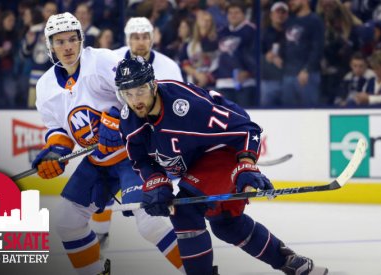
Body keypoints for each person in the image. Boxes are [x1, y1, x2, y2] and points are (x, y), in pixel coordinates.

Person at [114, 56, 329, 275]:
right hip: (196, 162)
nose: (135, 100)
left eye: (140, 90)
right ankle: (292, 263)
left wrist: (245, 164)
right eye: (127, 93)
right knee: (226, 225)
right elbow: (141, 159)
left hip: (221, 148)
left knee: (185, 212)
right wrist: (156, 182)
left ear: (153, 85)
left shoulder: (187, 107)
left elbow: (246, 129)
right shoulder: (129, 118)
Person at [33, 12, 183, 274]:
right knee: (67, 223)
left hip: (133, 154)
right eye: (60, 42)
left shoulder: (101, 60)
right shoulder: (45, 87)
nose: (67, 47)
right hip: (98, 161)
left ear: (81, 40)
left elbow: (138, 92)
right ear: (50, 46)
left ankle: (196, 269)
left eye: (72, 39)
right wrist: (55, 152)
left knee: (150, 221)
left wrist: (117, 118)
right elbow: (57, 129)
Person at [91, 16, 183, 249]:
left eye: (144, 37)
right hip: (116, 136)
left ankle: (180, 237)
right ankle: (100, 235)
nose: (140, 42)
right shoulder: (111, 60)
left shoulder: (169, 67)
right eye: (135, 37)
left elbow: (176, 108)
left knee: (147, 212)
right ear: (127, 39)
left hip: (148, 141)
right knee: (100, 188)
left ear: (152, 39)